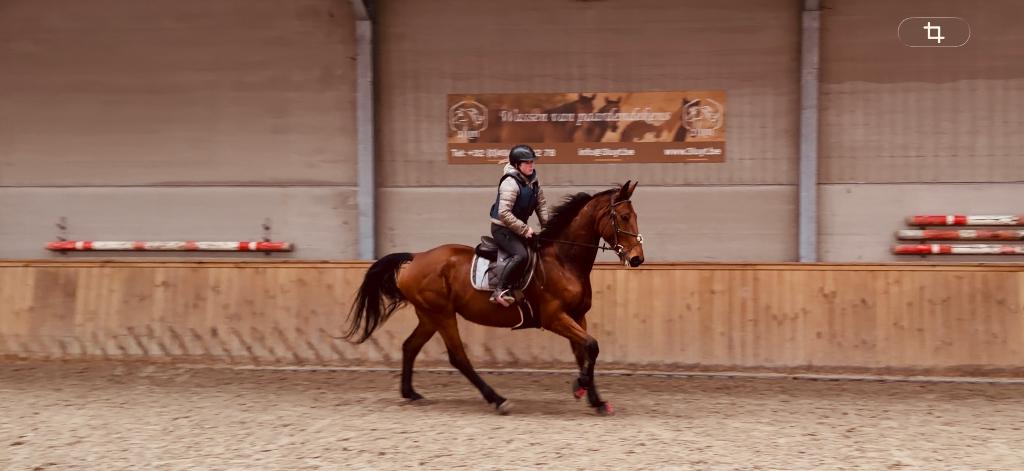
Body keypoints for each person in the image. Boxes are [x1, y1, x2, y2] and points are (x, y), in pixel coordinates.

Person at [487, 144, 552, 307]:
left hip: (516, 228)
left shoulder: (534, 181)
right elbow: (504, 214)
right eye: (527, 163)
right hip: (502, 229)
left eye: (532, 162)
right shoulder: (510, 183)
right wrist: (525, 229)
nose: (531, 165)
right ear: (517, 165)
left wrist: (548, 228)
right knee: (521, 255)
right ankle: (499, 291)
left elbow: (541, 205)